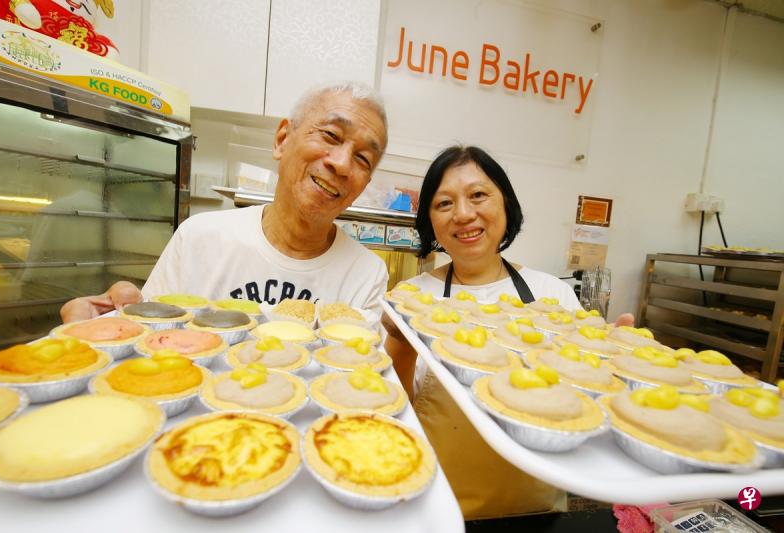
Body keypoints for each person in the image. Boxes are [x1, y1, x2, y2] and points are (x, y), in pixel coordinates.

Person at [383, 145, 632, 520]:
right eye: (444, 203)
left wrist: (611, 365)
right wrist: (401, 343)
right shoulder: (412, 297)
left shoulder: (552, 296)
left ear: (506, 205)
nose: (464, 214)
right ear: (430, 220)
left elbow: (585, 410)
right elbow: (392, 411)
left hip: (534, 509)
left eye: (478, 195)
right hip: (436, 507)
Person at [61, 81, 389, 323]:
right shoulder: (200, 238)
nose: (343, 164)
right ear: (282, 140)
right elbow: (150, 340)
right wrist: (97, 328)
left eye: (363, 158)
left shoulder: (366, 275)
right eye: (331, 136)